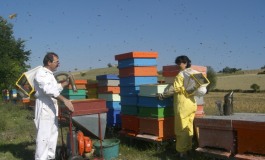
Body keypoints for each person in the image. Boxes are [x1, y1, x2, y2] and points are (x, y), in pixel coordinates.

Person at [33, 52, 74, 160]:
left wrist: (65, 83)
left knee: (52, 136)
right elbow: (48, 89)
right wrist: (64, 100)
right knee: (43, 138)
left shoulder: (49, 74)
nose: (58, 64)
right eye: (57, 62)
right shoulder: (40, 72)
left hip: (51, 107)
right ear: (49, 62)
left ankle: (50, 157)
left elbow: (54, 88)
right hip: (44, 107)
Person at [157, 55, 197, 158]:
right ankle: (188, 149)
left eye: (180, 63)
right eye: (178, 64)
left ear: (185, 63)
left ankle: (181, 152)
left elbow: (174, 88)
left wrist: (162, 95)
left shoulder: (181, 74)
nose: (179, 66)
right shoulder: (194, 72)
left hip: (182, 105)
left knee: (181, 129)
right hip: (192, 104)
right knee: (189, 127)